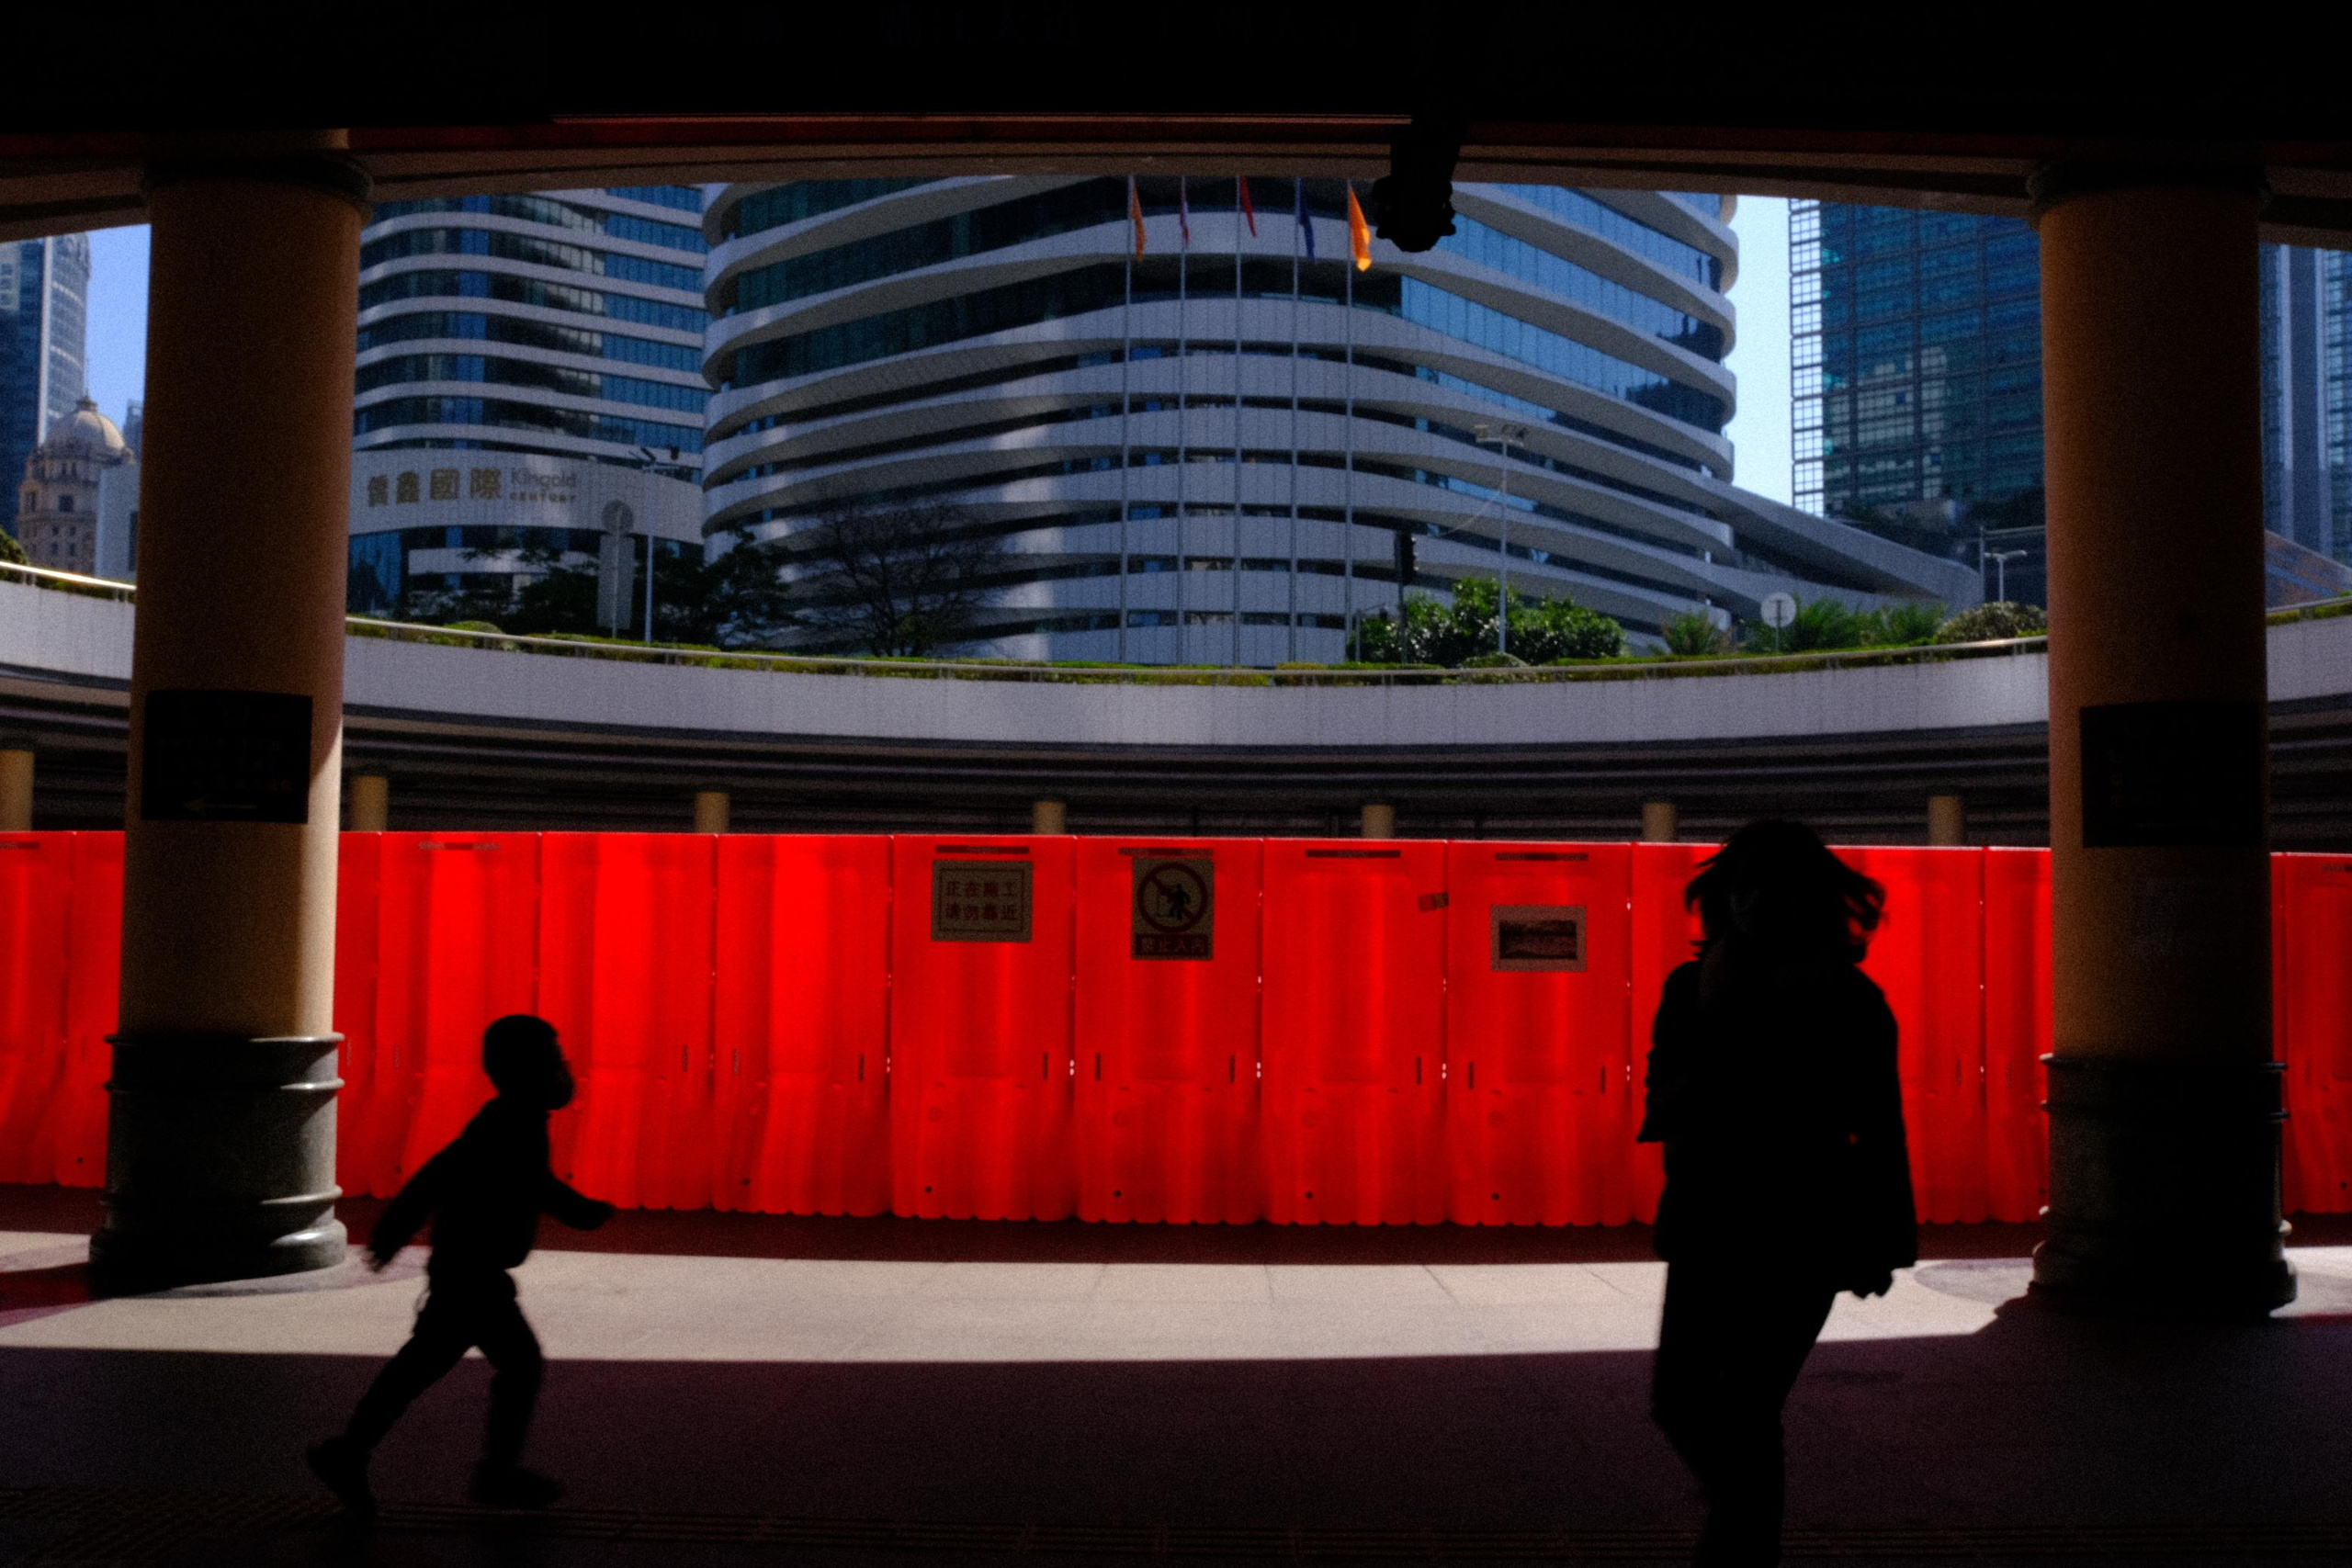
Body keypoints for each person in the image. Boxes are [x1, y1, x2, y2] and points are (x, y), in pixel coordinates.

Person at [1638, 819, 1917, 1566]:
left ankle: (1740, 1547)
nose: (1761, 903)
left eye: (1780, 889)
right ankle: (1744, 1529)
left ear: (1814, 901)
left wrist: (1887, 1240)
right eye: (1748, 887)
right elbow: (1660, 1100)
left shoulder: (1852, 1002)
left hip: (1806, 1229)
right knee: (1685, 1399)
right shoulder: (1690, 990)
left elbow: (1881, 1127)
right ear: (1725, 898)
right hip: (1713, 1220)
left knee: (1743, 1403)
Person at [308, 1014, 614, 1517]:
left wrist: (393, 1229)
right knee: (515, 1365)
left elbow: (440, 1175)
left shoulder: (509, 1118)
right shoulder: (512, 1124)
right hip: (472, 1275)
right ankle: (492, 1472)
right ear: (525, 1070)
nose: (561, 1070)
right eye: (552, 1061)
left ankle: (349, 1451)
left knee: (421, 1367)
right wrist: (584, 1212)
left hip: (465, 1270)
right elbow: (527, 1185)